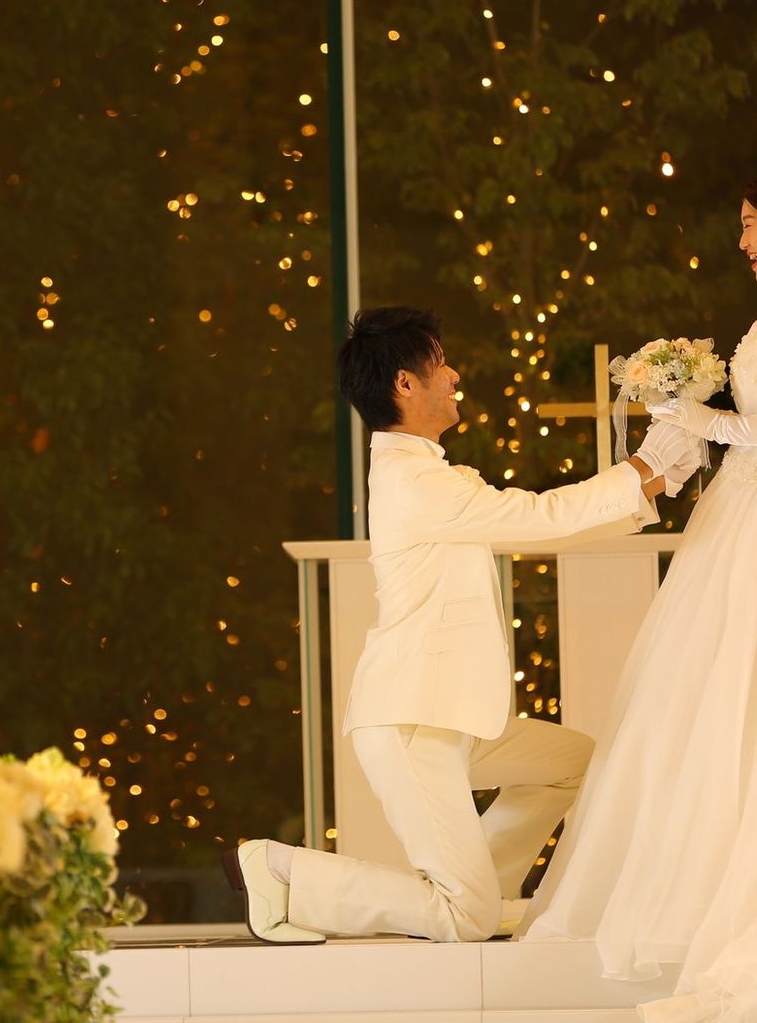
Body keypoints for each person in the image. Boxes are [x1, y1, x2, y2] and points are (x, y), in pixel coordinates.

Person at [222, 305, 701, 945]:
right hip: (412, 721)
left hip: (450, 718)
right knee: (462, 918)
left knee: (574, 764)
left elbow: (549, 528)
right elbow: (540, 517)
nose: (454, 376)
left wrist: (654, 480)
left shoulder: (423, 472)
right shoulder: (414, 481)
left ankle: (480, 895)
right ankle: (281, 870)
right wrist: (644, 468)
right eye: (441, 363)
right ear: (404, 383)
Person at [518, 181, 757, 1023]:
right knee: (702, 695)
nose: (744, 243)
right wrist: (685, 411)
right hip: (735, 519)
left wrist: (698, 413)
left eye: (752, 224)